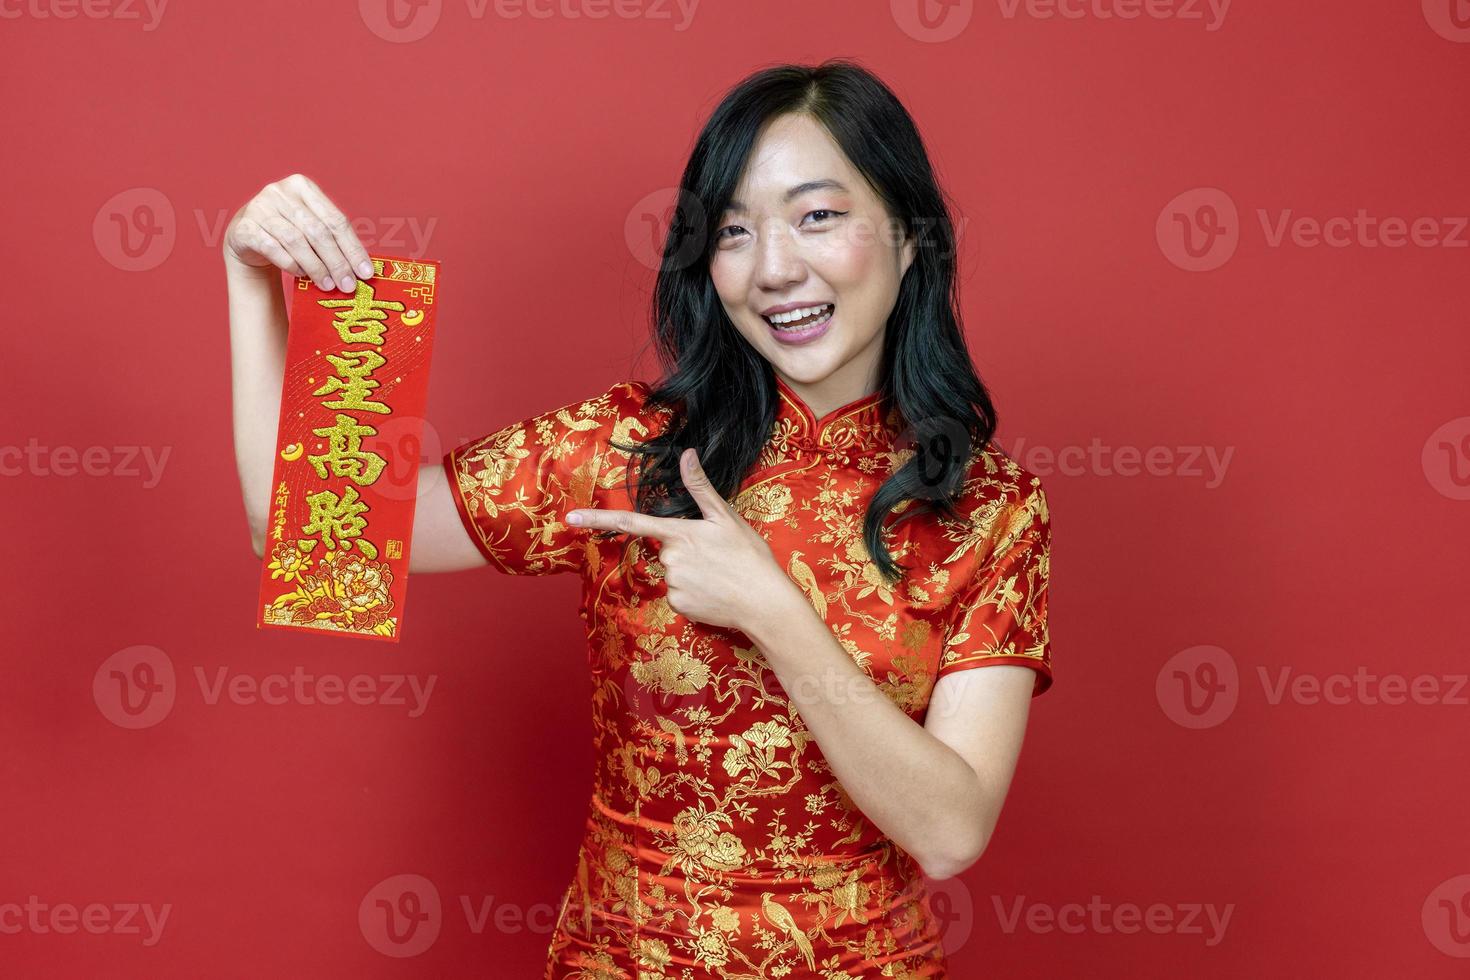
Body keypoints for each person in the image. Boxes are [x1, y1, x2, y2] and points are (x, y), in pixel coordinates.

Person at [225, 58, 1051, 980]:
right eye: (735, 230)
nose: (775, 268)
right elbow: (304, 536)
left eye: (818, 216)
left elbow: (948, 831)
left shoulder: (988, 506)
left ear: (907, 238)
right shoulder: (626, 450)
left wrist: (772, 612)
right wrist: (251, 281)